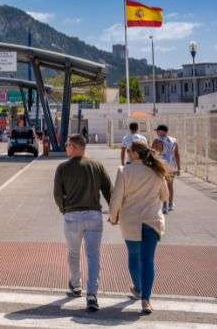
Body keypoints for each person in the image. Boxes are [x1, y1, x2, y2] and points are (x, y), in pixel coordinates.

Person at [109, 140, 170, 315]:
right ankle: (146, 299)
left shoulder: (124, 171)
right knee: (148, 260)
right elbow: (165, 195)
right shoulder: (157, 171)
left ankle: (137, 287)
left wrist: (113, 217)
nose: (127, 153)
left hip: (131, 221)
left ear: (135, 153)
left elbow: (116, 198)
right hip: (152, 220)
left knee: (134, 256)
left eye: (129, 151)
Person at [53, 134, 112, 312]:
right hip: (94, 216)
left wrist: (64, 209)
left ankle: (76, 285)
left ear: (76, 147)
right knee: (93, 256)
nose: (66, 148)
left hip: (72, 217)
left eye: (68, 145)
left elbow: (57, 194)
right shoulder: (97, 165)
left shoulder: (63, 168)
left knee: (73, 253)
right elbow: (109, 190)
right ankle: (92, 294)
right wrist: (115, 212)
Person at [155, 124, 181, 212]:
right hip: (171, 166)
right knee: (170, 186)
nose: (157, 132)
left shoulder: (157, 141)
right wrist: (178, 168)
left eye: (158, 131)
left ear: (162, 131)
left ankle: (164, 205)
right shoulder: (174, 140)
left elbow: (153, 154)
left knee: (162, 185)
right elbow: (177, 155)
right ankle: (170, 204)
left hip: (161, 166)